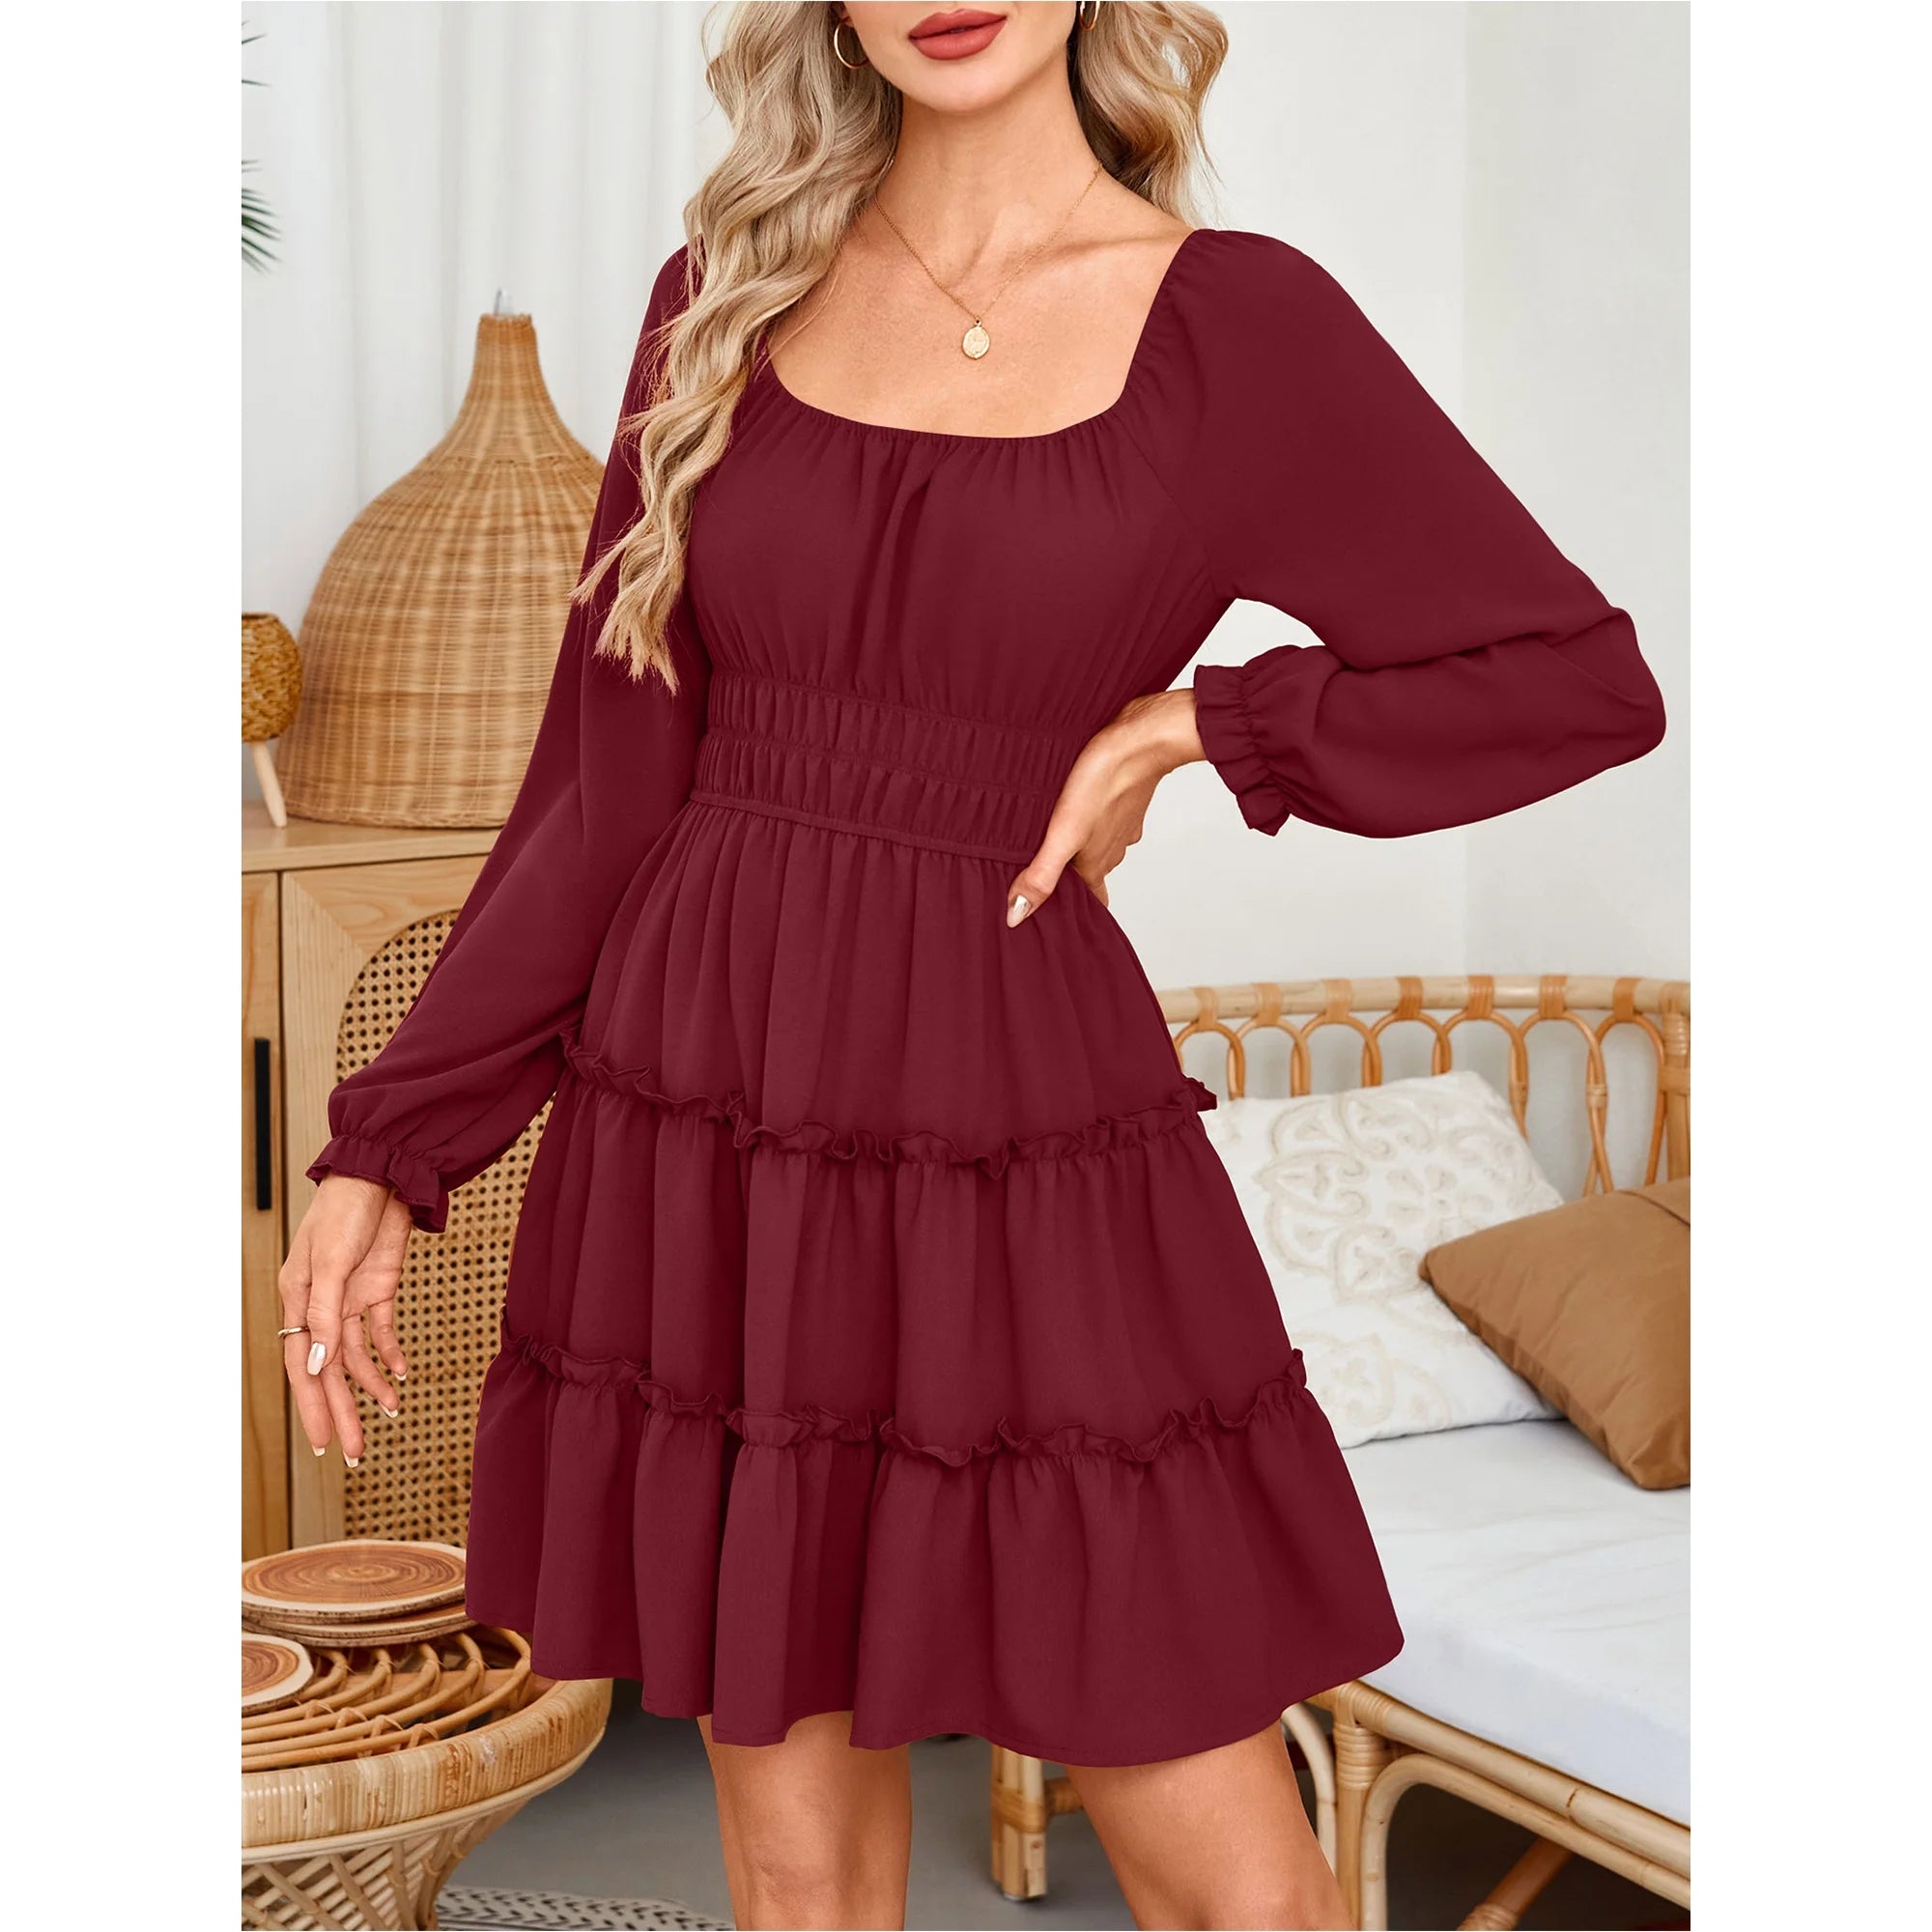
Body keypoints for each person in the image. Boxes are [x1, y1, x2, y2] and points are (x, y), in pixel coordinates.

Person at [278, 5, 1666, 1926]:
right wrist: (391, 1142)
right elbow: (601, 790)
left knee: (1235, 1878)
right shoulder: (721, 300)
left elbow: (1575, 682)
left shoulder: (1234, 325)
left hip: (1016, 1113)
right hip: (713, 1110)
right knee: (799, 1871)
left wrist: (1203, 726)